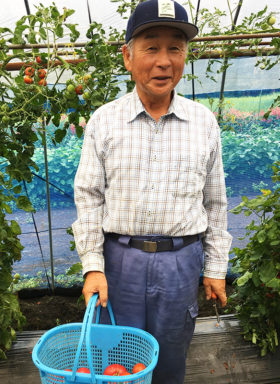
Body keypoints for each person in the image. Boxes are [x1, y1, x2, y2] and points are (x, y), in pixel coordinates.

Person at [72, 0, 232, 383]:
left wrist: (215, 268)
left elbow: (216, 201)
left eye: (175, 48)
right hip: (120, 261)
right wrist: (93, 265)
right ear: (128, 57)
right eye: (151, 47)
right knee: (118, 359)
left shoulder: (203, 123)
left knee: (171, 355)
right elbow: (89, 196)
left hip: (181, 263)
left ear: (185, 56)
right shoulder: (104, 121)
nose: (164, 61)